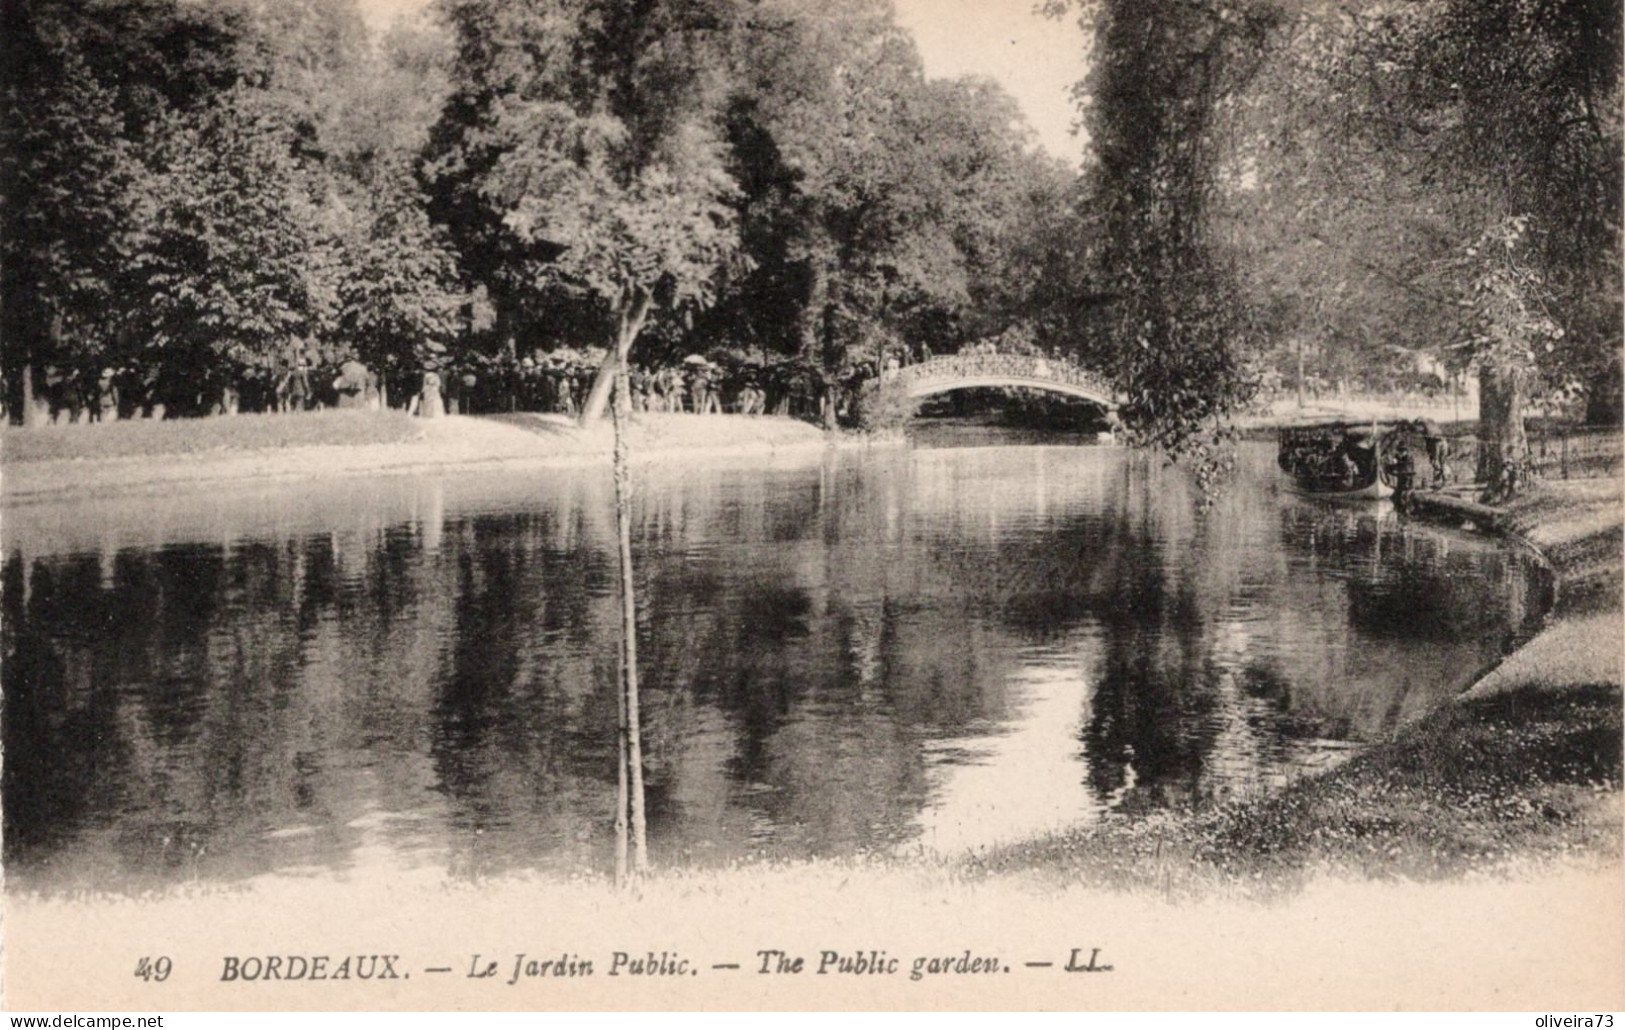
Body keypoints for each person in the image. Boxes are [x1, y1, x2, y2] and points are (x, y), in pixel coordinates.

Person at [1413, 417, 1450, 486]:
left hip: (1436, 443)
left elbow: (1428, 440)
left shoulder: (1425, 426)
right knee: (1443, 462)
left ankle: (1437, 481)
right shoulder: (1432, 423)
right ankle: (1445, 480)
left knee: (1435, 462)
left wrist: (1430, 452)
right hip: (1444, 442)